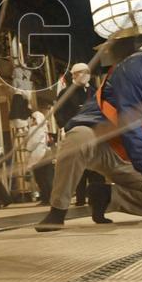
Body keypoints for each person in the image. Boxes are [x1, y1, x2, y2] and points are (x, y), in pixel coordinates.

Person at [36, 15, 142, 231]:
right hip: (103, 143)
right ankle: (57, 211)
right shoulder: (136, 65)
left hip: (132, 159)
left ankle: (107, 196)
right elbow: (130, 119)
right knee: (79, 138)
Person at [55, 62, 102, 206]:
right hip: (75, 133)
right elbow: (58, 112)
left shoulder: (94, 91)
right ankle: (80, 198)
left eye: (87, 72)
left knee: (96, 168)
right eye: (81, 72)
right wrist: (66, 127)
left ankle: (97, 200)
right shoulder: (65, 93)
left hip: (93, 133)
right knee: (77, 166)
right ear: (73, 75)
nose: (85, 75)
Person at [25, 110, 54, 205]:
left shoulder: (34, 129)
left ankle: (46, 198)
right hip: (46, 154)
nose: (31, 120)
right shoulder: (44, 128)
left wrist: (27, 151)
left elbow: (32, 143)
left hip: (38, 156)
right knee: (48, 178)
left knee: (40, 179)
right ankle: (51, 198)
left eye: (32, 118)